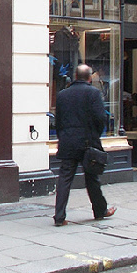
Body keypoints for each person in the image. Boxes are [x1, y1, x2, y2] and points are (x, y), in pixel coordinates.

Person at [53, 63, 116, 226]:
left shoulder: (62, 95)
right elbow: (100, 118)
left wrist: (63, 136)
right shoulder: (93, 93)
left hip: (68, 141)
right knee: (92, 177)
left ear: (75, 76)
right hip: (88, 142)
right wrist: (94, 135)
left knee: (64, 179)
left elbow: (58, 121)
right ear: (89, 77)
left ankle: (59, 216)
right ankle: (100, 211)